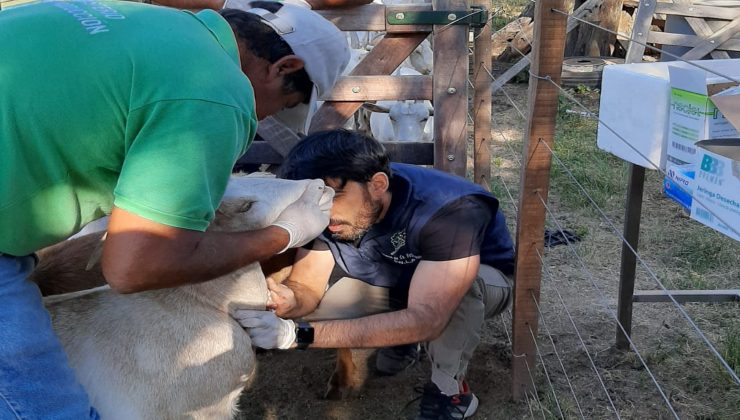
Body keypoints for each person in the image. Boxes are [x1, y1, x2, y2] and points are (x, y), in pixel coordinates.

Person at [0, 1, 348, 417]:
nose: (262, 118)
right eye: (281, 106)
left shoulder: (132, 19)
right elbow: (133, 268)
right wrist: (283, 235)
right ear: (283, 67)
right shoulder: (218, 91)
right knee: (53, 410)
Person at [235, 130, 516, 419]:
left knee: (457, 298)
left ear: (378, 185)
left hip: (482, 283)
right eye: (313, 198)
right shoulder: (327, 210)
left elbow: (428, 319)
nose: (322, 209)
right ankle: (403, 341)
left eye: (333, 195)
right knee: (329, 306)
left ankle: (449, 391)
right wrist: (290, 300)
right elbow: (307, 285)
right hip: (398, 280)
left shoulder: (449, 209)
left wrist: (297, 334)